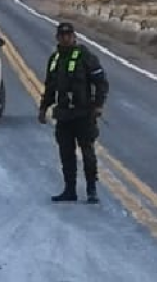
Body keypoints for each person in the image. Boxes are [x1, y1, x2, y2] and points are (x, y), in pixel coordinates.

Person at [37, 22, 109, 204]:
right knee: (66, 154)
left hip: (83, 114)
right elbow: (50, 87)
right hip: (63, 115)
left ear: (74, 37)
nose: (65, 38)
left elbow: (101, 82)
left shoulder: (85, 56)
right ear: (57, 38)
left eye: (68, 35)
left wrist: (98, 105)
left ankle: (91, 189)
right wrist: (43, 108)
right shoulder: (54, 59)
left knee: (87, 153)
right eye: (62, 35)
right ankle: (70, 190)